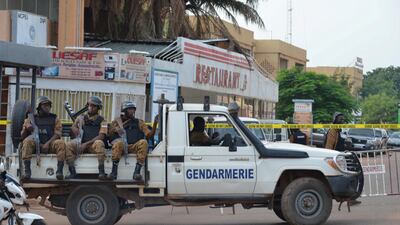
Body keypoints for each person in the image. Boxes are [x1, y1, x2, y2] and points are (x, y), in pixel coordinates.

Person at [108, 101, 158, 181]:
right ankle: (114, 172)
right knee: (118, 143)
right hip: (122, 147)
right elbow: (109, 135)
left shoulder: (139, 122)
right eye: (130, 109)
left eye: (133, 109)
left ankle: (136, 172)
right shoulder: (116, 122)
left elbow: (149, 135)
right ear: (124, 111)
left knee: (144, 142)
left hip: (134, 146)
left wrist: (155, 124)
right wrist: (115, 129)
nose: (132, 111)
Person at [60, 96, 108, 180]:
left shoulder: (102, 120)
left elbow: (101, 136)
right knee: (69, 145)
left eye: (93, 106)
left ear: (98, 108)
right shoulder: (81, 118)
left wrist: (86, 144)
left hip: (93, 145)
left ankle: (101, 172)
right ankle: (72, 172)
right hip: (81, 143)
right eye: (89, 105)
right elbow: (73, 127)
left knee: (99, 143)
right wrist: (75, 129)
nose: (91, 108)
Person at [20, 96, 65, 180]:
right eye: (45, 105)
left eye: (49, 105)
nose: (47, 107)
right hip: (35, 145)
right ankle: (27, 171)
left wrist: (47, 144)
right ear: (39, 106)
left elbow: (58, 134)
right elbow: (22, 136)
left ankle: (59, 171)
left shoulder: (54, 118)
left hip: (50, 144)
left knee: (61, 143)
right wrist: (26, 128)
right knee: (27, 141)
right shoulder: (31, 118)